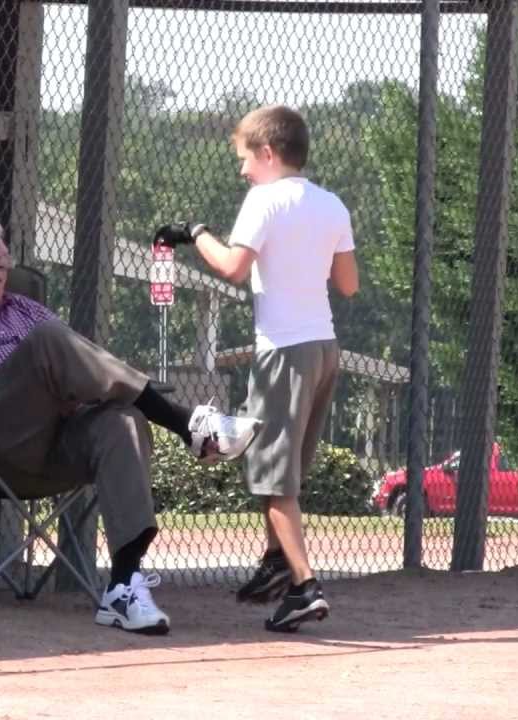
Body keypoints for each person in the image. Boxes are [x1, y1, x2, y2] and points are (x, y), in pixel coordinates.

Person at [0, 219, 262, 635]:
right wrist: (7, 373)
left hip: (51, 442)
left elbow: (74, 364)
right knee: (48, 340)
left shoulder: (25, 308)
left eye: (6, 253)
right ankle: (185, 421)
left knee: (124, 420)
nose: (4, 261)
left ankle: (123, 586)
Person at [153, 104, 359, 632]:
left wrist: (195, 232)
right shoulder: (332, 204)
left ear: (268, 153)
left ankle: (304, 586)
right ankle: (275, 563)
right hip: (324, 348)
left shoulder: (263, 199)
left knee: (273, 480)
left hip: (282, 352)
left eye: (246, 157)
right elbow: (349, 285)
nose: (243, 169)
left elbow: (231, 267)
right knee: (288, 470)